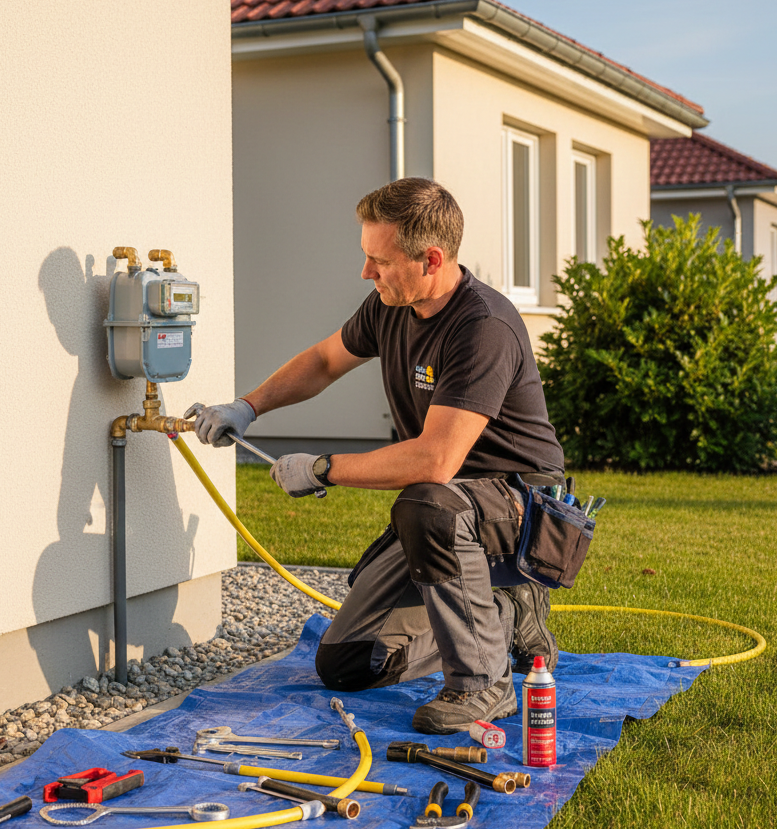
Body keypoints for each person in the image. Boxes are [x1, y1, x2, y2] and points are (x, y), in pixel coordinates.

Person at [191, 178, 565, 734]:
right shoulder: (391, 305)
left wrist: (323, 469)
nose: (366, 272)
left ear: (430, 259)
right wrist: (248, 406)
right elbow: (323, 360)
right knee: (348, 663)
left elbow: (435, 460)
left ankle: (482, 685)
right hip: (449, 500)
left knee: (429, 505)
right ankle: (506, 619)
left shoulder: (482, 327)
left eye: (378, 261)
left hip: (520, 504)